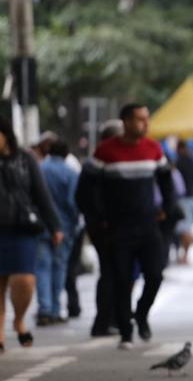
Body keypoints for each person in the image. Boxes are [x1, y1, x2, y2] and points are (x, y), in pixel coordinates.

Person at [87, 104, 176, 348]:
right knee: (121, 279)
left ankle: (142, 313)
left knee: (155, 274)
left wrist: (167, 210)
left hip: (148, 225)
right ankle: (126, 331)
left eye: (147, 119)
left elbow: (167, 182)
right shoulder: (105, 152)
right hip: (118, 228)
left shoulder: (153, 149)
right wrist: (99, 218)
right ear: (125, 121)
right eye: (140, 120)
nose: (145, 124)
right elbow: (86, 189)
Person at [0, 116, 62, 351]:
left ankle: (18, 320)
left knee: (24, 280)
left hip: (23, 228)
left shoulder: (25, 159)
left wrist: (55, 225)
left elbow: (41, 194)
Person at [76, 120, 122, 337]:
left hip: (106, 225)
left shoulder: (101, 162)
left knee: (113, 272)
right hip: (104, 227)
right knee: (111, 273)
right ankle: (105, 321)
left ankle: (112, 318)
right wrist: (101, 219)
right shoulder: (97, 164)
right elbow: (84, 196)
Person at [35, 139, 79, 326]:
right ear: (66, 154)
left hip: (40, 226)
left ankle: (43, 308)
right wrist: (74, 222)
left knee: (42, 267)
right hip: (64, 226)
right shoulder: (70, 173)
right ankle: (54, 309)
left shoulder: (38, 169)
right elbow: (72, 202)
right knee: (59, 267)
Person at [174, 140, 193, 265]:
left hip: (184, 198)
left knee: (185, 228)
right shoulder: (192, 161)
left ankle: (185, 256)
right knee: (186, 227)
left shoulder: (179, 162)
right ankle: (184, 254)